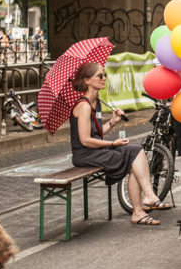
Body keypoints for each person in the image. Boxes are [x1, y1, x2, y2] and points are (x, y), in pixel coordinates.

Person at [70, 62, 169, 225]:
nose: (104, 78)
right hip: (85, 154)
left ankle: (145, 202)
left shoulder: (97, 103)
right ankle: (142, 205)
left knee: (136, 151)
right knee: (133, 161)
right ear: (87, 81)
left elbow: (96, 132)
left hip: (95, 151)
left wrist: (113, 122)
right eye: (99, 76)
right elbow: (85, 140)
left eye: (105, 75)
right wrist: (113, 143)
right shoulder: (84, 106)